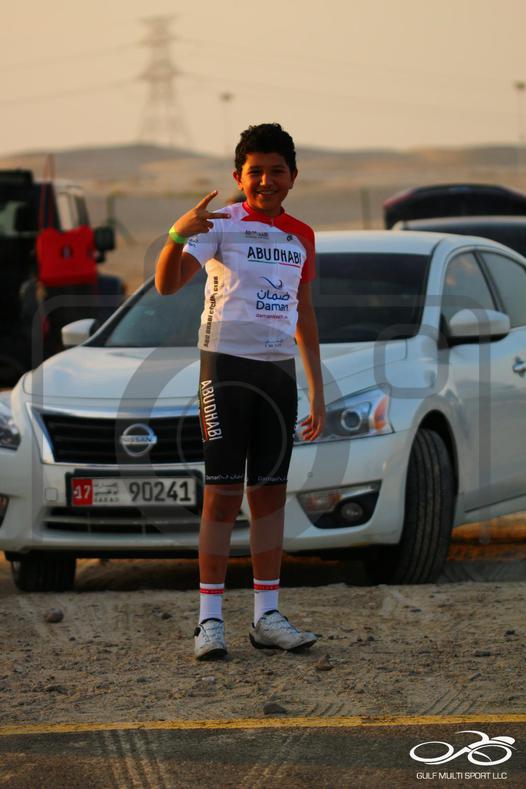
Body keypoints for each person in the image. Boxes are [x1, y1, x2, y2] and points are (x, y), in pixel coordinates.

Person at [155, 123, 325, 660]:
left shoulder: (302, 234)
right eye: (256, 172)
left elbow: (304, 313)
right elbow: (166, 284)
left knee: (269, 498)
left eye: (277, 171)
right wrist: (177, 235)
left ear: (293, 176)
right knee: (223, 496)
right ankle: (209, 621)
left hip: (278, 375)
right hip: (225, 371)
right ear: (238, 176)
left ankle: (266, 616)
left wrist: (317, 390)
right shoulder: (220, 223)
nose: (266, 181)